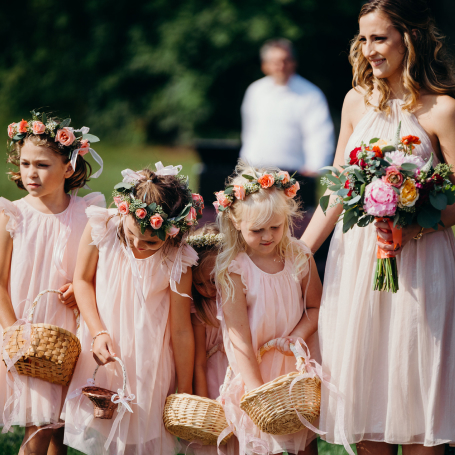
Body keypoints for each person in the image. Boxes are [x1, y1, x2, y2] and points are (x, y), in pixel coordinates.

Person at [301, 1, 455, 454]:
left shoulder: (442, 110)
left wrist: (415, 227)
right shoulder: (355, 102)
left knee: (415, 380)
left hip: (419, 262)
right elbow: (335, 191)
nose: (369, 49)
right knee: (364, 392)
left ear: (408, 39)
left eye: (380, 38)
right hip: (357, 263)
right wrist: (300, 253)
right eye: (363, 38)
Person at [62, 164, 202, 454]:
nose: (138, 245)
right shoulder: (104, 226)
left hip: (149, 360)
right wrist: (97, 331)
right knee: (100, 430)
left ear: (173, 233)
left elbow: (180, 328)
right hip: (104, 344)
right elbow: (83, 281)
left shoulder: (177, 258)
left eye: (150, 241)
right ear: (125, 214)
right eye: (131, 235)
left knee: (139, 435)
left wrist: (185, 388)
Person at [0, 113, 105, 455]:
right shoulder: (12, 215)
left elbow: (94, 272)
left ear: (69, 168)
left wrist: (80, 286)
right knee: (39, 427)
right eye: (26, 163)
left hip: (67, 332)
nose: (31, 172)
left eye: (42, 165)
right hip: (24, 333)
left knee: (58, 426)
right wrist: (13, 333)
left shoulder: (86, 214)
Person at [214, 162, 322, 455]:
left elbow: (314, 305)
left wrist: (297, 336)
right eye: (257, 230)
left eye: (276, 227)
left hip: (293, 367)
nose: (268, 236)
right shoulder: (236, 270)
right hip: (255, 369)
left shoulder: (299, 257)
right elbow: (239, 337)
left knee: (302, 443)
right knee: (260, 443)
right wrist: (256, 389)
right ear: (237, 223)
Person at [239, 38, 335, 208]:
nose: (280, 66)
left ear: (293, 63)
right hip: (255, 171)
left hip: (293, 176)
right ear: (265, 65)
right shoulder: (255, 91)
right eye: (275, 62)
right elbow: (249, 130)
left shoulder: (310, 94)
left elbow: (320, 134)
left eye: (285, 60)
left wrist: (315, 166)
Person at [186, 224, 236, 455]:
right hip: (212, 378)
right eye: (200, 284)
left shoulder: (237, 298)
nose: (208, 289)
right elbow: (198, 362)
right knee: (217, 436)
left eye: (213, 280)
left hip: (237, 374)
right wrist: (205, 402)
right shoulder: (198, 309)